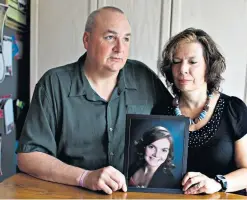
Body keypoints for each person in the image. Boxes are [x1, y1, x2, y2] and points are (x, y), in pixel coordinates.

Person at [16, 6, 172, 195]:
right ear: (87, 40)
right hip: (68, 194)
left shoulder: (143, 77)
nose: (120, 48)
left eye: (126, 39)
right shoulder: (54, 83)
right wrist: (84, 177)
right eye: (110, 37)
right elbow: (28, 156)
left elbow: (181, 122)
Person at [152, 28, 247, 196]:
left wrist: (217, 183)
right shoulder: (161, 111)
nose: (183, 69)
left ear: (209, 66)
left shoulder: (233, 109)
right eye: (176, 61)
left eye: (192, 62)